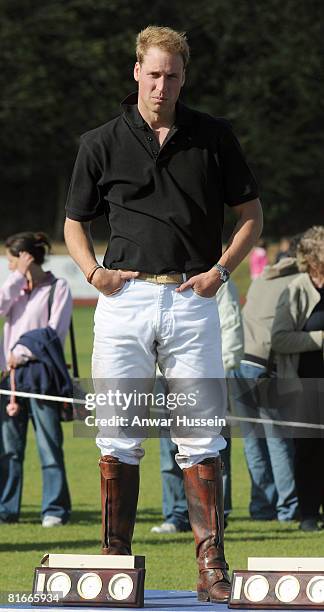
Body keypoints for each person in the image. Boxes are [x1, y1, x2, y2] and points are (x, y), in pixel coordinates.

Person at [64, 26, 263, 602]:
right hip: (122, 302)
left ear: (184, 77)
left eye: (172, 76)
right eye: (153, 74)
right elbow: (74, 220)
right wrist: (93, 273)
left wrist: (221, 272)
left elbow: (251, 214)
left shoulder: (214, 137)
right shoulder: (99, 141)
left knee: (201, 435)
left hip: (192, 298)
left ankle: (211, 566)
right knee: (116, 434)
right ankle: (114, 563)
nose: (161, 85)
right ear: (136, 73)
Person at [151, 278, 244, 534]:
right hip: (166, 378)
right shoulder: (157, 278)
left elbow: (231, 326)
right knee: (168, 449)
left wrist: (220, 372)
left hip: (207, 377)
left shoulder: (217, 279)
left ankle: (215, 513)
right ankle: (175, 514)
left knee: (213, 450)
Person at [0, 232, 72, 527]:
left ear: (26, 257)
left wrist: (22, 352)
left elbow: (55, 331)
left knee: (49, 444)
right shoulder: (15, 289)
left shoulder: (59, 288)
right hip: (11, 379)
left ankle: (54, 509)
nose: (9, 266)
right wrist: (17, 279)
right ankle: (6, 509)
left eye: (11, 260)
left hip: (42, 376)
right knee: (10, 450)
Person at [234, 237, 301, 521]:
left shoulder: (263, 277)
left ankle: (262, 507)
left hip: (240, 362)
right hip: (265, 364)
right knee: (278, 440)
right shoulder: (298, 282)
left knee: (254, 442)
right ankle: (288, 509)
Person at [271, 225, 324, 531]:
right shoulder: (295, 289)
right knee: (308, 451)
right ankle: (307, 515)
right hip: (304, 385)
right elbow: (279, 339)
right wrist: (318, 339)